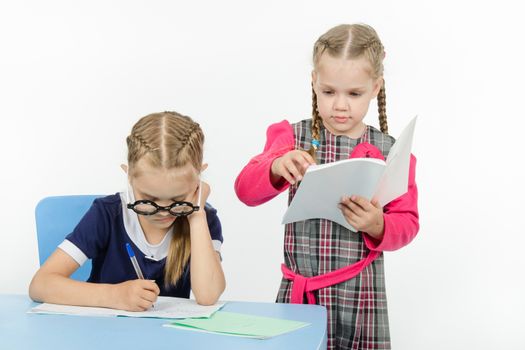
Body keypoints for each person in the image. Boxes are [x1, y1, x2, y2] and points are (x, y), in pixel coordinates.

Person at [235, 24, 419, 349]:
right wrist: (277, 166)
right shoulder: (292, 138)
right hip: (301, 297)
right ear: (314, 83)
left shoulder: (390, 151)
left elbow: (407, 222)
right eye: (329, 91)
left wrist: (378, 225)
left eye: (354, 94)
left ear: (376, 87)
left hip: (361, 298)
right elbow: (245, 191)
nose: (340, 105)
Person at [30, 111, 225, 311]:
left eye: (177, 199)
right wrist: (114, 296)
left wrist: (196, 215)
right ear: (129, 176)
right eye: (149, 199)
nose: (163, 211)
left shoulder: (204, 220)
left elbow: (208, 296)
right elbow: (40, 285)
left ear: (198, 182)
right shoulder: (107, 215)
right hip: (103, 335)